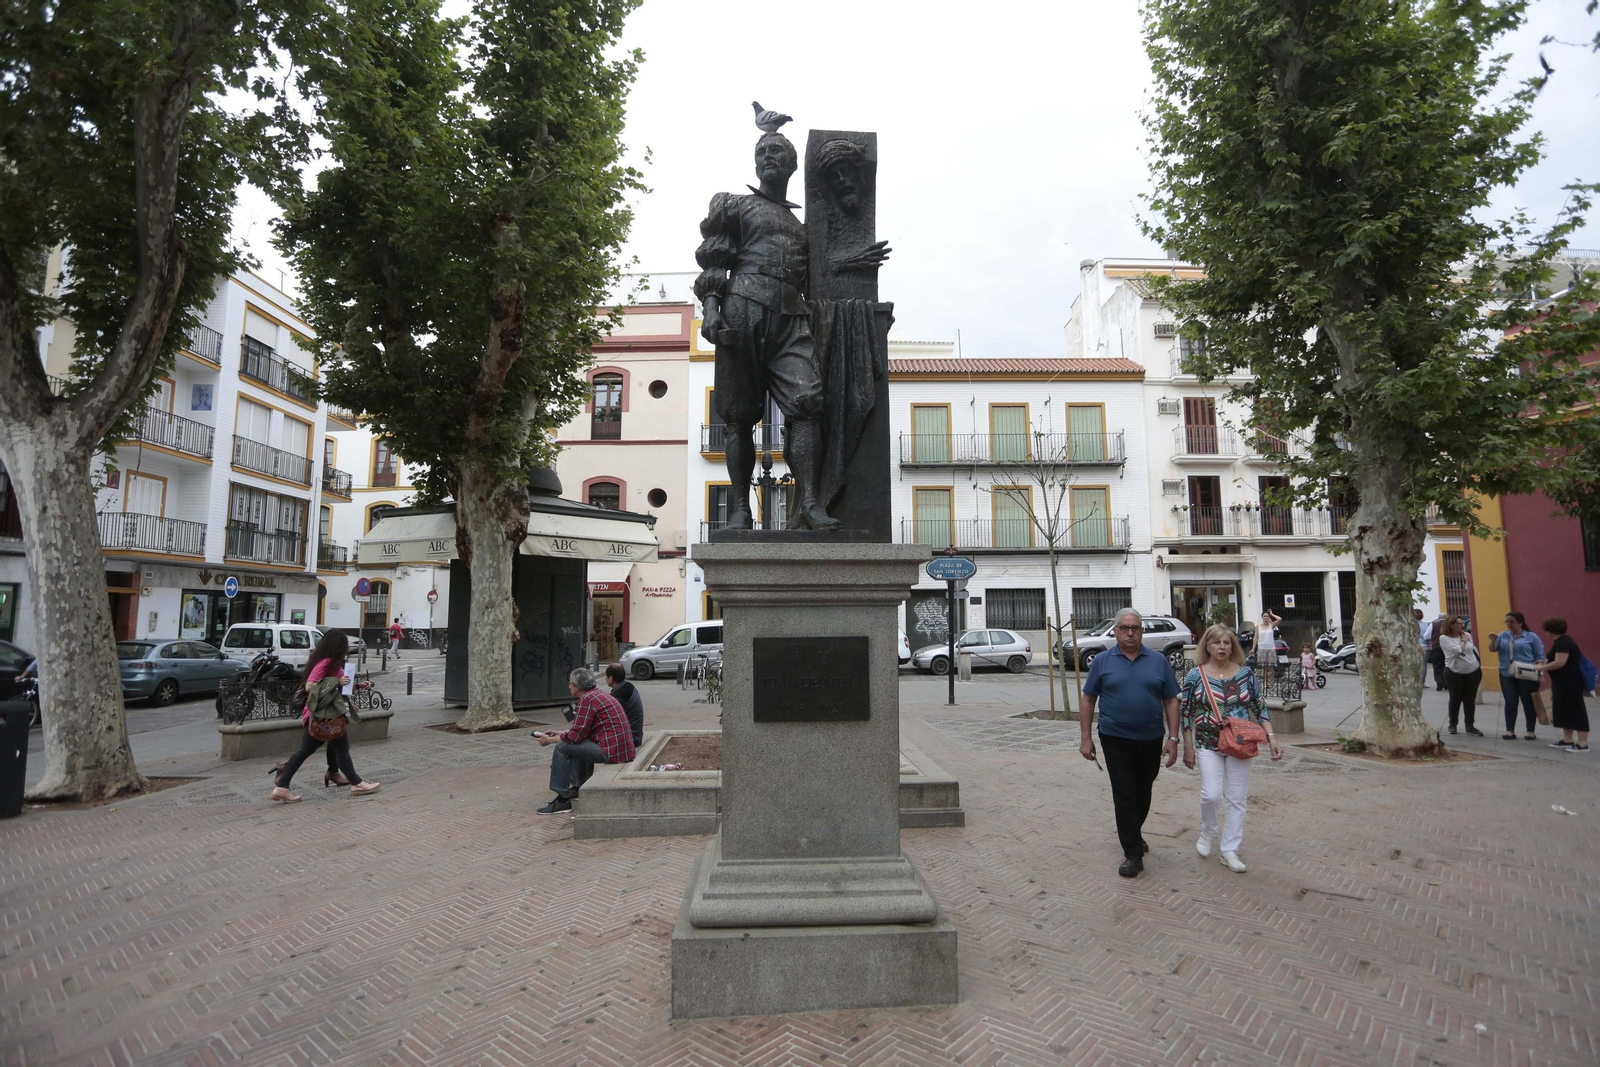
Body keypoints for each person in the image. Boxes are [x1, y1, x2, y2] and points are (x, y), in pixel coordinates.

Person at [1078, 608, 1181, 879]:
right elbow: (1088, 699)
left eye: (1135, 628)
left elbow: (1171, 700)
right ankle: (1132, 854)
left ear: (1142, 631)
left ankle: (1133, 832)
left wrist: (1173, 738)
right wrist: (1086, 738)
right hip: (1114, 737)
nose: (1130, 632)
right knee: (1124, 792)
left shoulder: (1158, 661)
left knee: (1143, 789)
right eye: (1124, 628)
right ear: (1116, 631)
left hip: (1150, 738)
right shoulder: (1102, 661)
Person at [1179, 626, 1283, 873]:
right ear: (1207, 646)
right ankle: (1208, 832)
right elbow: (1186, 712)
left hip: (1240, 743)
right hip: (1207, 742)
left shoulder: (1246, 674)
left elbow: (1260, 706)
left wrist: (1271, 737)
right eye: (1216, 643)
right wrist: (1188, 746)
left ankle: (1229, 849)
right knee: (1212, 795)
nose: (1222, 647)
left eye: (1227, 642)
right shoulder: (1196, 675)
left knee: (1237, 799)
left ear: (1232, 646)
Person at [269, 630, 379, 802]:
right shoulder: (326, 663)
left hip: (328, 715)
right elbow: (310, 686)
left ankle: (282, 784)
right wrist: (337, 681)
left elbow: (334, 690)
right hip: (323, 716)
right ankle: (356, 784)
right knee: (340, 750)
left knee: (309, 750)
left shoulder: (333, 664)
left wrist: (356, 686)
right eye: (343, 647)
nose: (346, 651)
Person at [535, 667, 636, 815]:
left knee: (562, 747)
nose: (568, 686)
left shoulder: (586, 700)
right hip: (621, 749)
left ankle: (562, 800)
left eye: (570, 683)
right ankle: (578, 787)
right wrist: (561, 733)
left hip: (612, 752)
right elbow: (581, 732)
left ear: (577, 687)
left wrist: (550, 740)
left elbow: (575, 737)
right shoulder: (597, 695)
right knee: (572, 743)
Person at [1536, 617, 1589, 752]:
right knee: (1565, 710)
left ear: (1549, 630)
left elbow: (1560, 662)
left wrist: (1542, 667)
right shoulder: (1562, 641)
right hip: (1562, 682)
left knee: (1576, 710)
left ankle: (1582, 743)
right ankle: (1567, 740)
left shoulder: (1563, 643)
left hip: (1569, 682)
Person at [1494, 611, 1544, 740]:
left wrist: (1541, 674)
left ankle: (1530, 731)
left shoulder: (1531, 637)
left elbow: (1539, 657)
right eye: (1507, 621)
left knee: (1528, 701)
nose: (1509, 624)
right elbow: (1493, 649)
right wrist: (1493, 640)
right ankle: (1509, 730)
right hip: (1506, 672)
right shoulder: (1503, 635)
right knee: (1510, 701)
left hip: (1527, 673)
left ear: (1520, 622)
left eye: (1512, 621)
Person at [1437, 615, 1483, 736]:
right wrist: (1463, 641)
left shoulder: (1468, 635)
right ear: (1451, 625)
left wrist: (1464, 640)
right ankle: (1453, 724)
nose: (1462, 625)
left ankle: (1470, 725)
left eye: (1462, 623)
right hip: (1454, 672)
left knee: (1470, 699)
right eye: (1458, 623)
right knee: (1455, 698)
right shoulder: (1444, 638)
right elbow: (1457, 651)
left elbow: (1470, 650)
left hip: (1473, 670)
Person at [605, 663, 645, 747]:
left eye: (606, 676)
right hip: (636, 735)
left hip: (631, 739)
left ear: (611, 679)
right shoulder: (627, 686)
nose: (605, 678)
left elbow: (609, 718)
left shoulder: (620, 695)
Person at [1426, 614, 1450, 691]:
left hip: (1436, 647)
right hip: (1447, 647)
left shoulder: (1433, 624)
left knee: (1437, 666)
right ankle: (1447, 684)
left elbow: (1426, 636)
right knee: (1447, 665)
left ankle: (1439, 684)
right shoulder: (1449, 624)